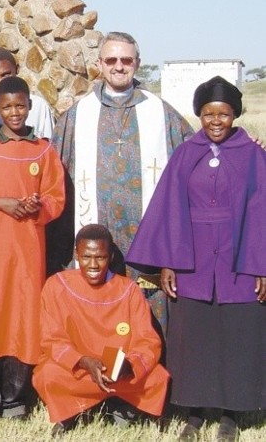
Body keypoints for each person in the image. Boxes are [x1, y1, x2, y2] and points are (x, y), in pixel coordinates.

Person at [127, 76, 265, 442]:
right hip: (194, 262)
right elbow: (170, 207)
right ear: (199, 116)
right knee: (195, 337)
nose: (215, 121)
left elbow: (262, 210)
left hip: (239, 261)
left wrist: (261, 265)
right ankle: (194, 412)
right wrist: (168, 262)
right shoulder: (187, 153)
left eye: (222, 114)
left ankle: (232, 414)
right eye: (207, 114)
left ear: (234, 114)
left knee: (237, 334)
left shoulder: (253, 154)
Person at [51, 31, 192, 325]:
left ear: (137, 63)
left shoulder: (160, 112)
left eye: (126, 60)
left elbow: (195, 157)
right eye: (111, 59)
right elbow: (54, 171)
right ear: (99, 64)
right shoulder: (77, 115)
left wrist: (239, 144)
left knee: (147, 321)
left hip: (147, 236)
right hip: (95, 234)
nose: (119, 66)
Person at [0, 76, 66, 418]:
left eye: (20, 105)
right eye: (7, 107)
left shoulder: (44, 151)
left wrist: (37, 206)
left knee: (22, 315)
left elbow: (56, 198)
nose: (14, 112)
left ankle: (16, 397)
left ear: (30, 106)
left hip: (26, 249)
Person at [33, 224, 169, 436]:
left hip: (118, 373)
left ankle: (120, 408)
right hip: (80, 368)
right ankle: (74, 411)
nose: (93, 265)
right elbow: (51, 339)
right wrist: (84, 362)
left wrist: (129, 365)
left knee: (158, 377)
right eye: (86, 257)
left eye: (101, 257)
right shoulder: (56, 285)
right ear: (77, 255)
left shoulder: (128, 289)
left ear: (111, 256)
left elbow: (148, 340)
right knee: (49, 375)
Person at [0, 47, 54, 138]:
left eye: (5, 74)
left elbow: (50, 143)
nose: (1, 81)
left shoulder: (39, 106)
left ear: (17, 69)